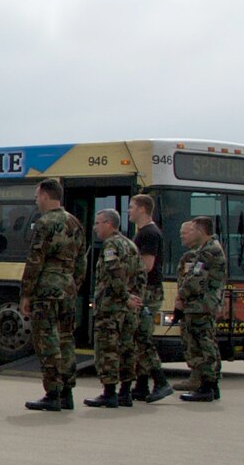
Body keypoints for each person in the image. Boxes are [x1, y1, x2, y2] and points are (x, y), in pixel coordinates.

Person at [20, 177, 86, 412]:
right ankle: (67, 391)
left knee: (46, 340)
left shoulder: (44, 223)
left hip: (46, 290)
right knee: (66, 339)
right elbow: (81, 261)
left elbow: (35, 261)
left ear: (46, 196)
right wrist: (72, 284)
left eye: (38, 196)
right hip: (67, 289)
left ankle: (52, 392)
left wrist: (26, 294)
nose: (37, 201)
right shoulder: (75, 222)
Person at [84, 209, 143, 408]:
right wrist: (135, 299)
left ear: (109, 224)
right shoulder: (131, 244)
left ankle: (109, 392)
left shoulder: (111, 244)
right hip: (128, 309)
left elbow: (114, 272)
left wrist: (125, 297)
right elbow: (141, 275)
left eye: (98, 223)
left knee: (107, 349)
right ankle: (125, 392)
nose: (95, 227)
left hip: (111, 307)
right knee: (127, 349)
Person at [175, 215, 228, 402]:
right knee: (202, 342)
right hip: (201, 304)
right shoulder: (208, 249)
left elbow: (196, 278)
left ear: (201, 231)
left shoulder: (209, 251)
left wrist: (180, 295)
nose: (191, 232)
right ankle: (209, 385)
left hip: (202, 305)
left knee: (204, 343)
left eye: (194, 229)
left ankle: (208, 385)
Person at [127, 193, 174, 402]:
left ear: (142, 209)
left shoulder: (149, 234)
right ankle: (141, 384)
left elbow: (147, 265)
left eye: (132, 207)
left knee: (143, 338)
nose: (129, 210)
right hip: (147, 290)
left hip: (148, 292)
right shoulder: (145, 232)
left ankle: (161, 381)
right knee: (138, 338)